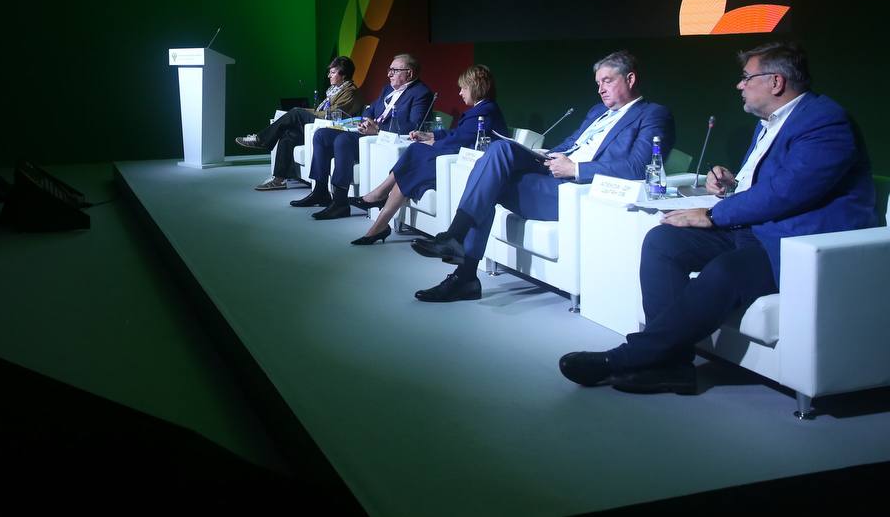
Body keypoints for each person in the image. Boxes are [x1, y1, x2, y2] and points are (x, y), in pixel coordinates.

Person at [560, 42, 875, 395]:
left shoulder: (825, 122)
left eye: (746, 77)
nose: (739, 85)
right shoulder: (770, 122)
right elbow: (770, 182)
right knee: (663, 241)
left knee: (725, 270)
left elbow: (788, 191)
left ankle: (628, 357)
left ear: (776, 82)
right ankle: (673, 366)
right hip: (756, 227)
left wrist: (712, 214)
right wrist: (733, 183)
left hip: (793, 241)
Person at [411, 50, 674, 302]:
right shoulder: (598, 112)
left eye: (607, 81)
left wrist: (575, 169)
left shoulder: (653, 114)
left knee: (491, 180)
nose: (600, 89)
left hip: (575, 190)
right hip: (552, 173)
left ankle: (462, 265)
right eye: (598, 83)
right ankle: (460, 258)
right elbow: (571, 143)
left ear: (630, 79)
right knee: (500, 151)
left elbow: (639, 167)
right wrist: (544, 154)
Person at [350, 64, 506, 244]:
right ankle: (379, 218)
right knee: (415, 155)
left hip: (464, 166)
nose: (460, 93)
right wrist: (431, 135)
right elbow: (458, 134)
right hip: (456, 158)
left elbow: (461, 140)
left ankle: (379, 201)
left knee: (416, 152)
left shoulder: (485, 111)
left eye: (463, 88)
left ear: (475, 87)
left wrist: (434, 142)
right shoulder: (483, 108)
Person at [291, 54, 435, 220]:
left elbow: (414, 125)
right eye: (389, 70)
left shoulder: (421, 93)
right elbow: (369, 109)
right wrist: (367, 121)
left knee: (343, 140)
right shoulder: (388, 89)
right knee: (321, 135)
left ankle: (340, 202)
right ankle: (320, 191)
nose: (389, 74)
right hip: (367, 133)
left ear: (409, 73)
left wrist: (378, 129)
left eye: (394, 70)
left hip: (383, 140)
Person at [235, 57, 360, 191]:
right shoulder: (334, 90)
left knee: (296, 112)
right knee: (289, 134)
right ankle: (279, 180)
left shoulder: (350, 91)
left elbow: (334, 113)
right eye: (329, 72)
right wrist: (308, 112)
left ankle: (260, 139)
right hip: (321, 123)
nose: (329, 75)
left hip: (331, 127)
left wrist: (305, 112)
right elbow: (321, 111)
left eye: (333, 72)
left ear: (344, 75)